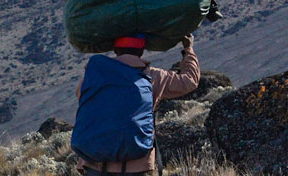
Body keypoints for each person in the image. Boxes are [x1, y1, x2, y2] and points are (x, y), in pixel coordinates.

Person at [73, 33, 200, 175]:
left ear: (116, 50)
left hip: (95, 162)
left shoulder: (95, 75)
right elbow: (190, 81)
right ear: (141, 51)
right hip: (135, 163)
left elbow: (81, 96)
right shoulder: (153, 76)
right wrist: (188, 49)